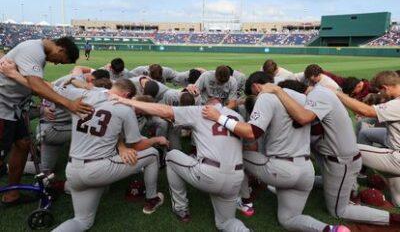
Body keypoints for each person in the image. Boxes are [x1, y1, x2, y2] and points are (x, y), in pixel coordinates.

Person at [202, 71, 349, 232]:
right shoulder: (302, 96)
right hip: (306, 170)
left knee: (236, 157)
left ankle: (245, 201)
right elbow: (315, 129)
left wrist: (219, 118)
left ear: (256, 86)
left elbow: (252, 132)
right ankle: (330, 229)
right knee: (288, 219)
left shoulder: (266, 96)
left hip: (281, 169)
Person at [258, 81, 400, 226]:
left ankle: (393, 218)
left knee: (339, 211)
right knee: (314, 178)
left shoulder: (318, 95)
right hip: (342, 159)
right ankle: (350, 189)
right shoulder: (320, 92)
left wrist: (278, 92)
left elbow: (304, 119)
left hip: (342, 162)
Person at [113, 96, 249, 232]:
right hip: (236, 179)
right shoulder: (239, 117)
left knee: (172, 156)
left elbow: (165, 111)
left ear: (208, 105)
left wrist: (128, 101)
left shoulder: (202, 110)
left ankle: (181, 209)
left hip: (210, 174)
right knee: (226, 223)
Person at [52, 79, 168, 231]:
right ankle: (152, 198)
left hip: (73, 170)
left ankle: (63, 185)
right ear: (126, 94)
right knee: (152, 154)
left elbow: (50, 88)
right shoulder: (125, 108)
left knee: (82, 221)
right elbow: (137, 145)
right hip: (97, 169)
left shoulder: (87, 95)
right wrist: (157, 139)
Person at [0, 37, 92, 206]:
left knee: (23, 145)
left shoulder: (38, 52)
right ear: (61, 50)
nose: (56, 64)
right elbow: (36, 86)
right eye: (61, 61)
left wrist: (15, 75)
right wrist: (68, 104)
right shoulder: (34, 49)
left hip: (14, 108)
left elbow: (33, 84)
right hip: (3, 106)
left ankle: (12, 194)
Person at [333, 71, 400, 206]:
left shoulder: (397, 104)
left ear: (385, 88)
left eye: (380, 91)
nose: (379, 94)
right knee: (365, 134)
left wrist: (338, 94)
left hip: (397, 156)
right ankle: (362, 171)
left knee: (348, 149)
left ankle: (352, 189)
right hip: (393, 140)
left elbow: (366, 111)